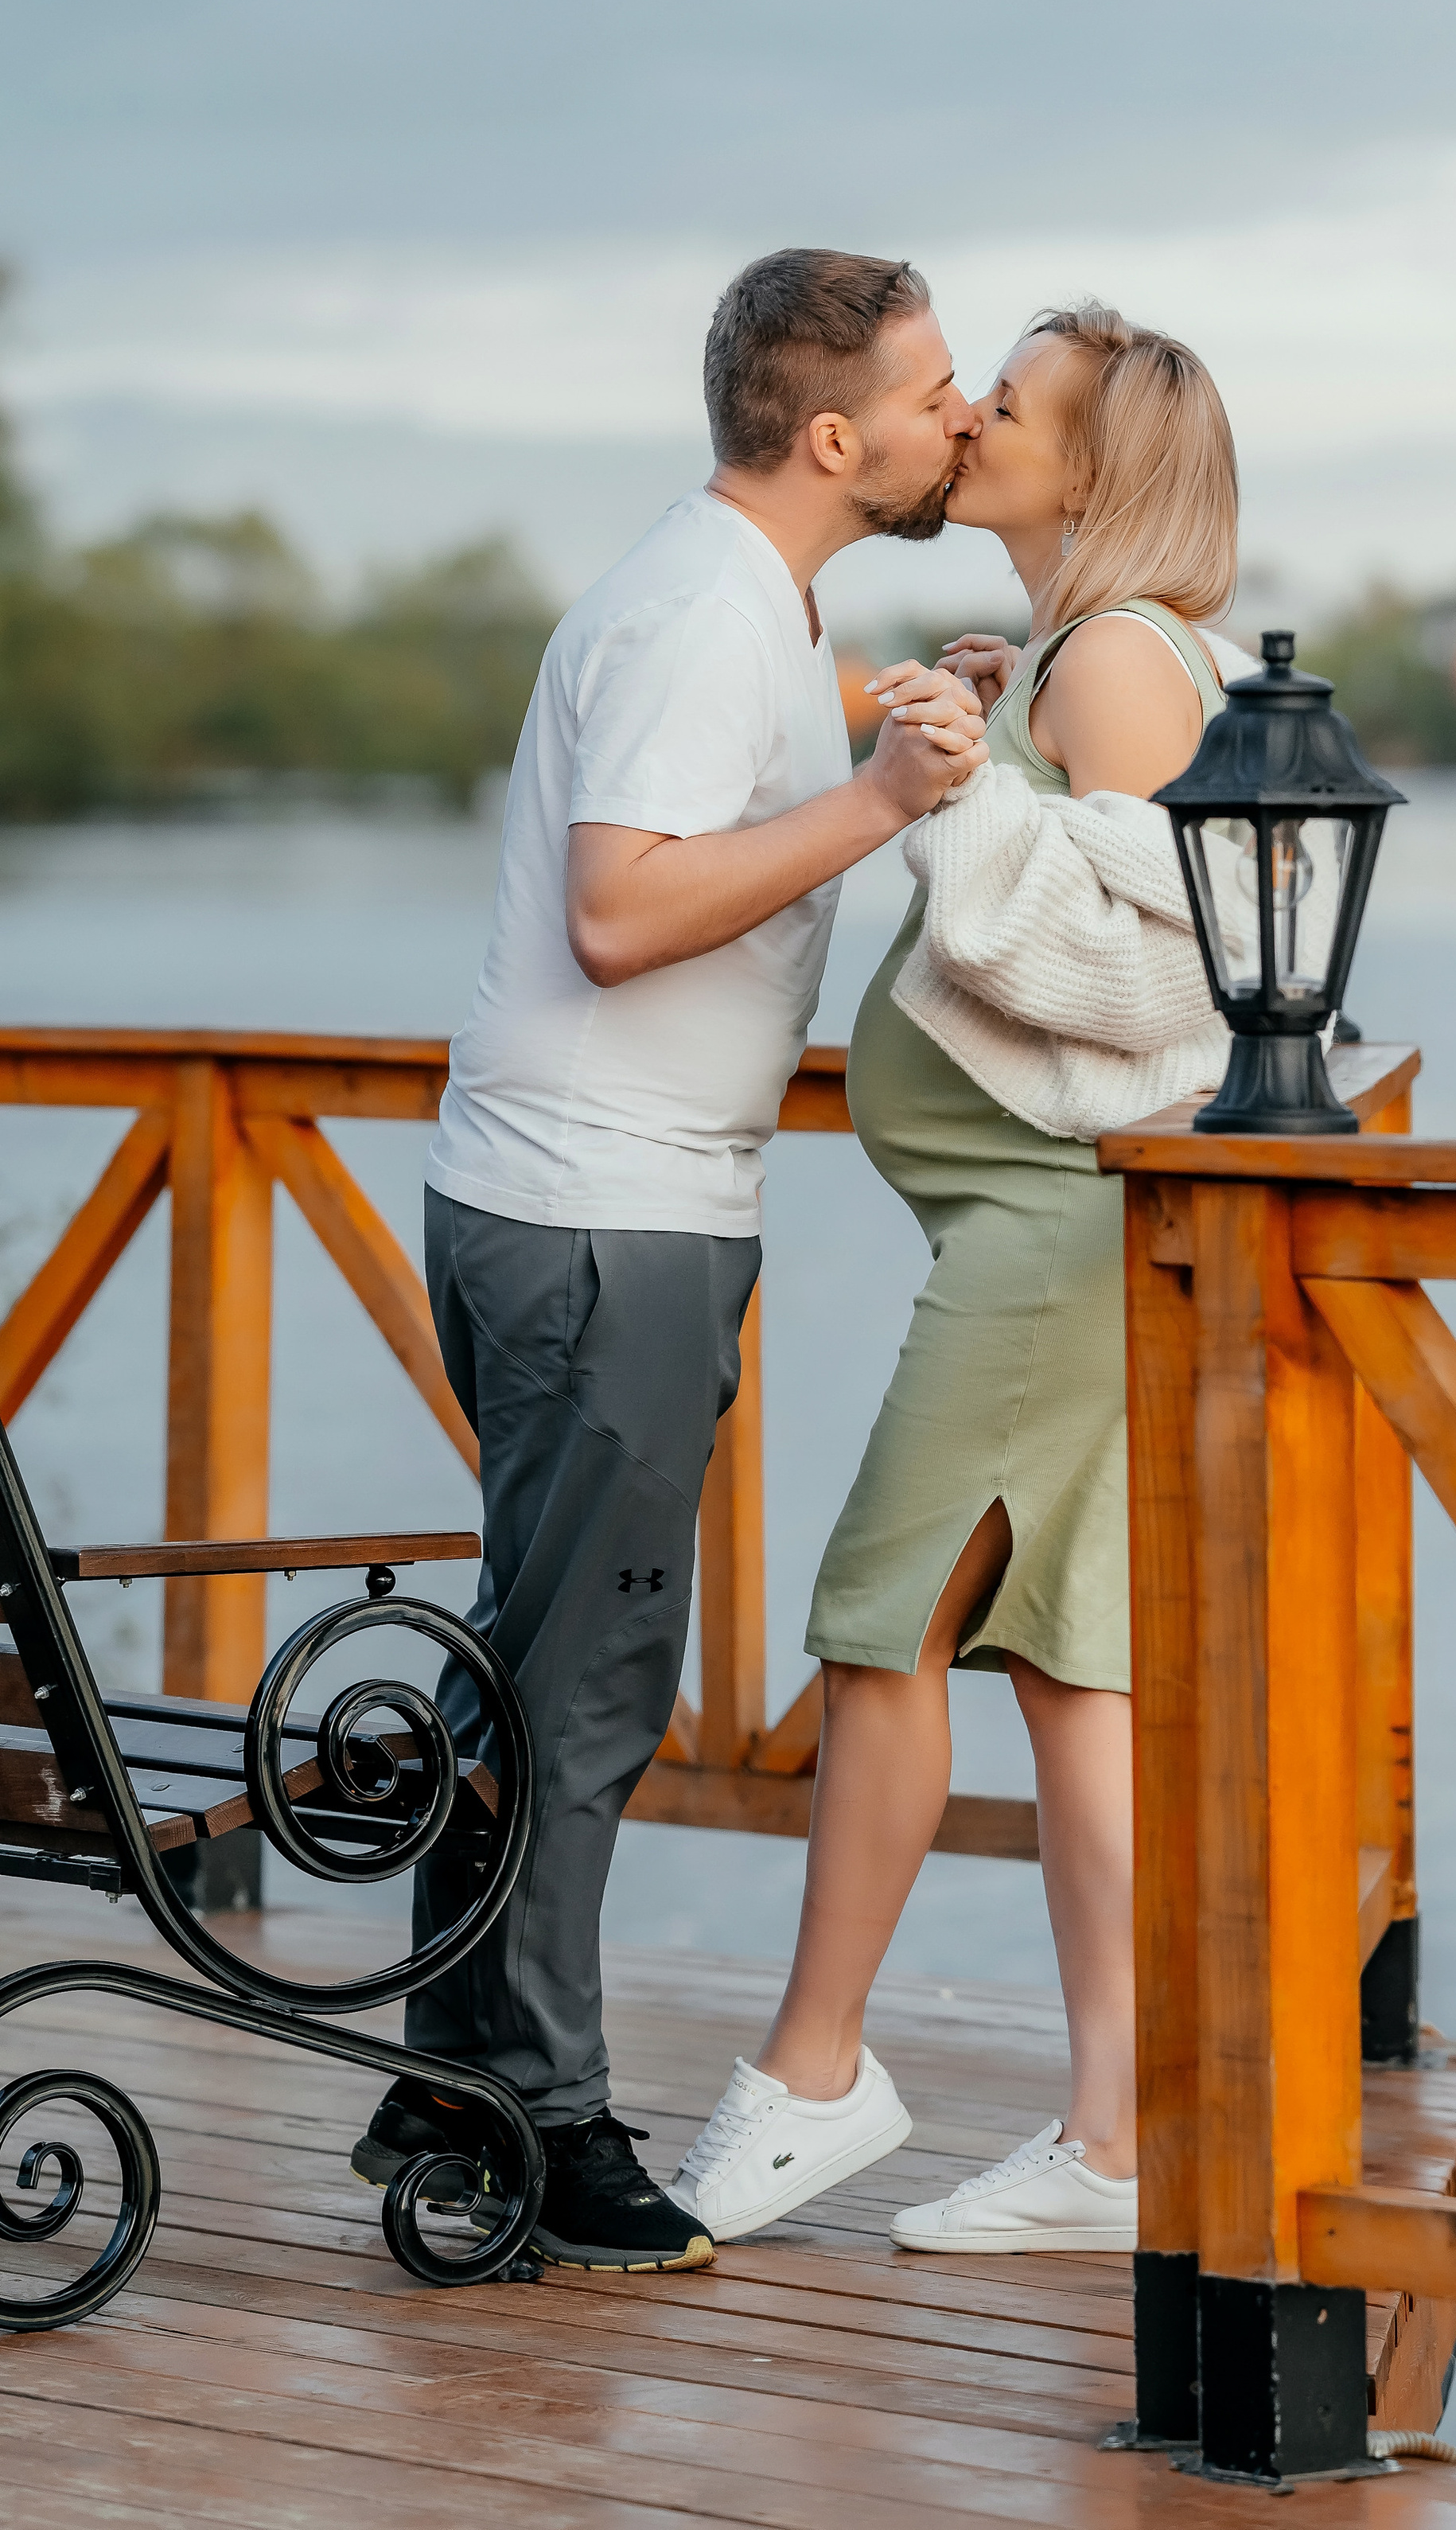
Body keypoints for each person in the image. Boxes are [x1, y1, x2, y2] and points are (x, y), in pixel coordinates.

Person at [348, 248, 986, 2271]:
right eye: (935, 392)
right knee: (591, 1689)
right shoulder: (706, 609)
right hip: (599, 1217)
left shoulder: (744, 601)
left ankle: (453, 2078)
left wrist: (883, 728)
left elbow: (698, 823)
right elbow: (620, 913)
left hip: (584, 1202)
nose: (962, 416)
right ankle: (541, 2120)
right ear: (835, 435)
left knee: (539, 1654)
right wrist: (879, 798)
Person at [677, 302, 1250, 2255]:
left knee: (878, 1622)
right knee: (1069, 1679)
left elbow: (1153, 974)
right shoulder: (1081, 659)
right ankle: (1114, 2142)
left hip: (1048, 1238)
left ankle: (815, 2069)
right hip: (1038, 1231)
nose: (974, 417)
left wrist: (957, 776)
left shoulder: (1118, 659)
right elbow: (1101, 873)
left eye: (1011, 403)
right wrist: (992, 726)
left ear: (1090, 467)